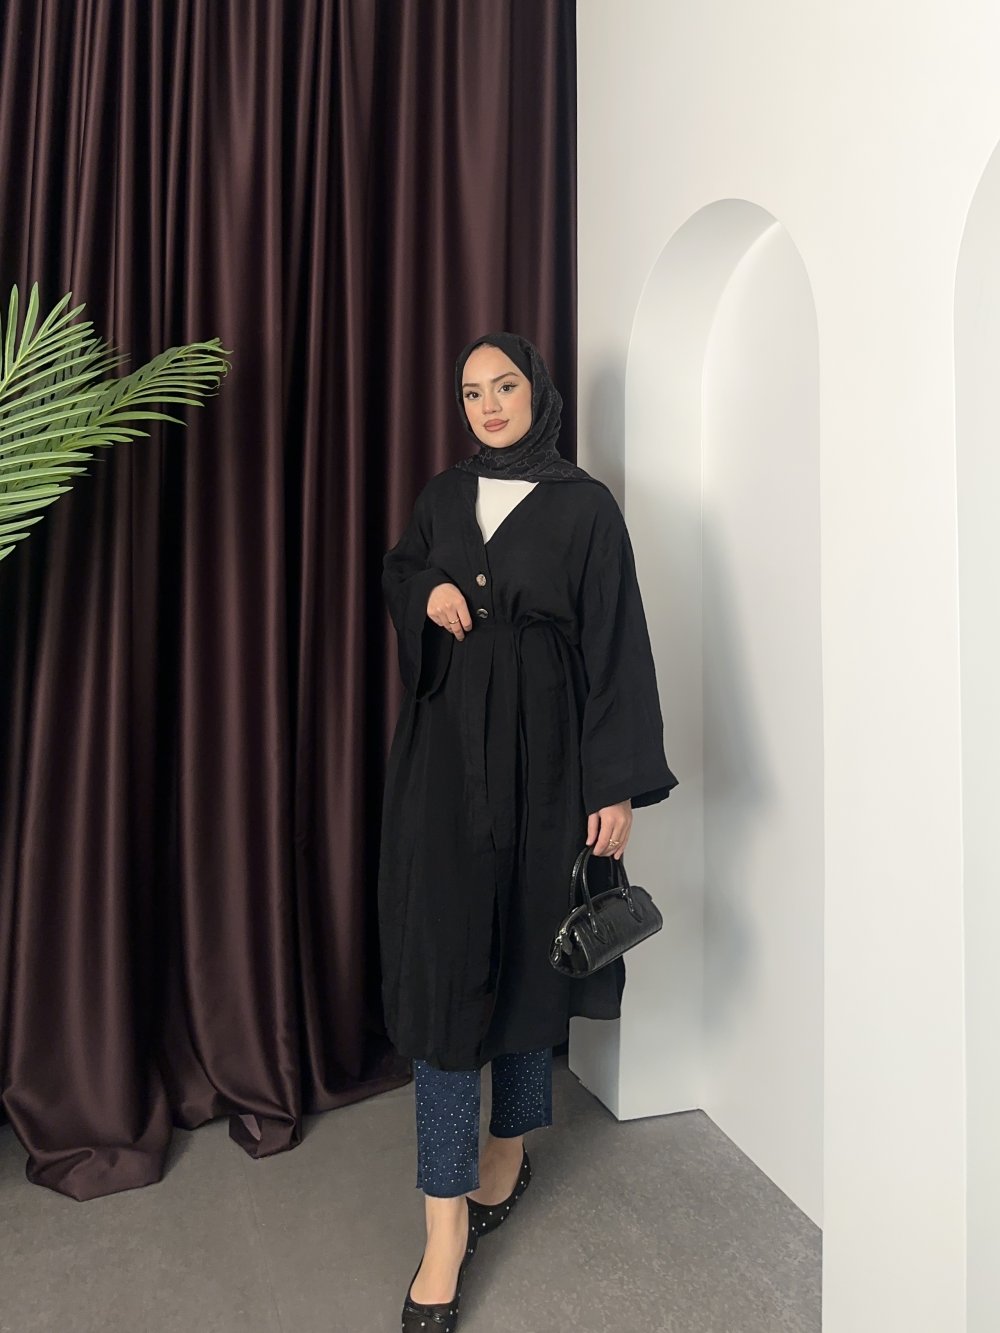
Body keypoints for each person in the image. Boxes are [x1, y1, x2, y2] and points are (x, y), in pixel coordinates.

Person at [379, 331, 679, 1331]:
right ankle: (443, 1227)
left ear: (535, 391)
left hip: (549, 763)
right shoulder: (442, 495)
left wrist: (615, 786)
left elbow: (616, 646)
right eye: (471, 392)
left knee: (525, 959)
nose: (489, 404)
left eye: (503, 385)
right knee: (443, 970)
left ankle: (506, 1154)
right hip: (445, 761)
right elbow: (401, 569)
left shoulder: (586, 507)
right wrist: (425, 593)